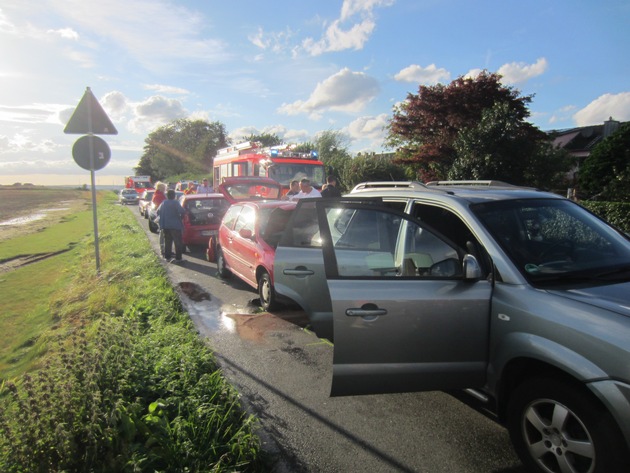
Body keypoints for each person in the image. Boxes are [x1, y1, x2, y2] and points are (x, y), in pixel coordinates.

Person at [157, 189, 186, 263]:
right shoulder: (175, 202)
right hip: (175, 226)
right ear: (174, 196)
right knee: (178, 242)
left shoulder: (163, 203)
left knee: (168, 242)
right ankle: (178, 258)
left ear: (167, 196)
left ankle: (168, 257)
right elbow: (182, 211)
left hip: (165, 225)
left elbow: (158, 211)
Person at [152, 182, 168, 256]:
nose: (165, 189)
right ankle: (163, 250)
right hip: (162, 216)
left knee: (163, 233)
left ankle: (164, 249)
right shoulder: (159, 196)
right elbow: (162, 206)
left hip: (161, 215)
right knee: (162, 234)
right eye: (164, 188)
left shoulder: (157, 195)